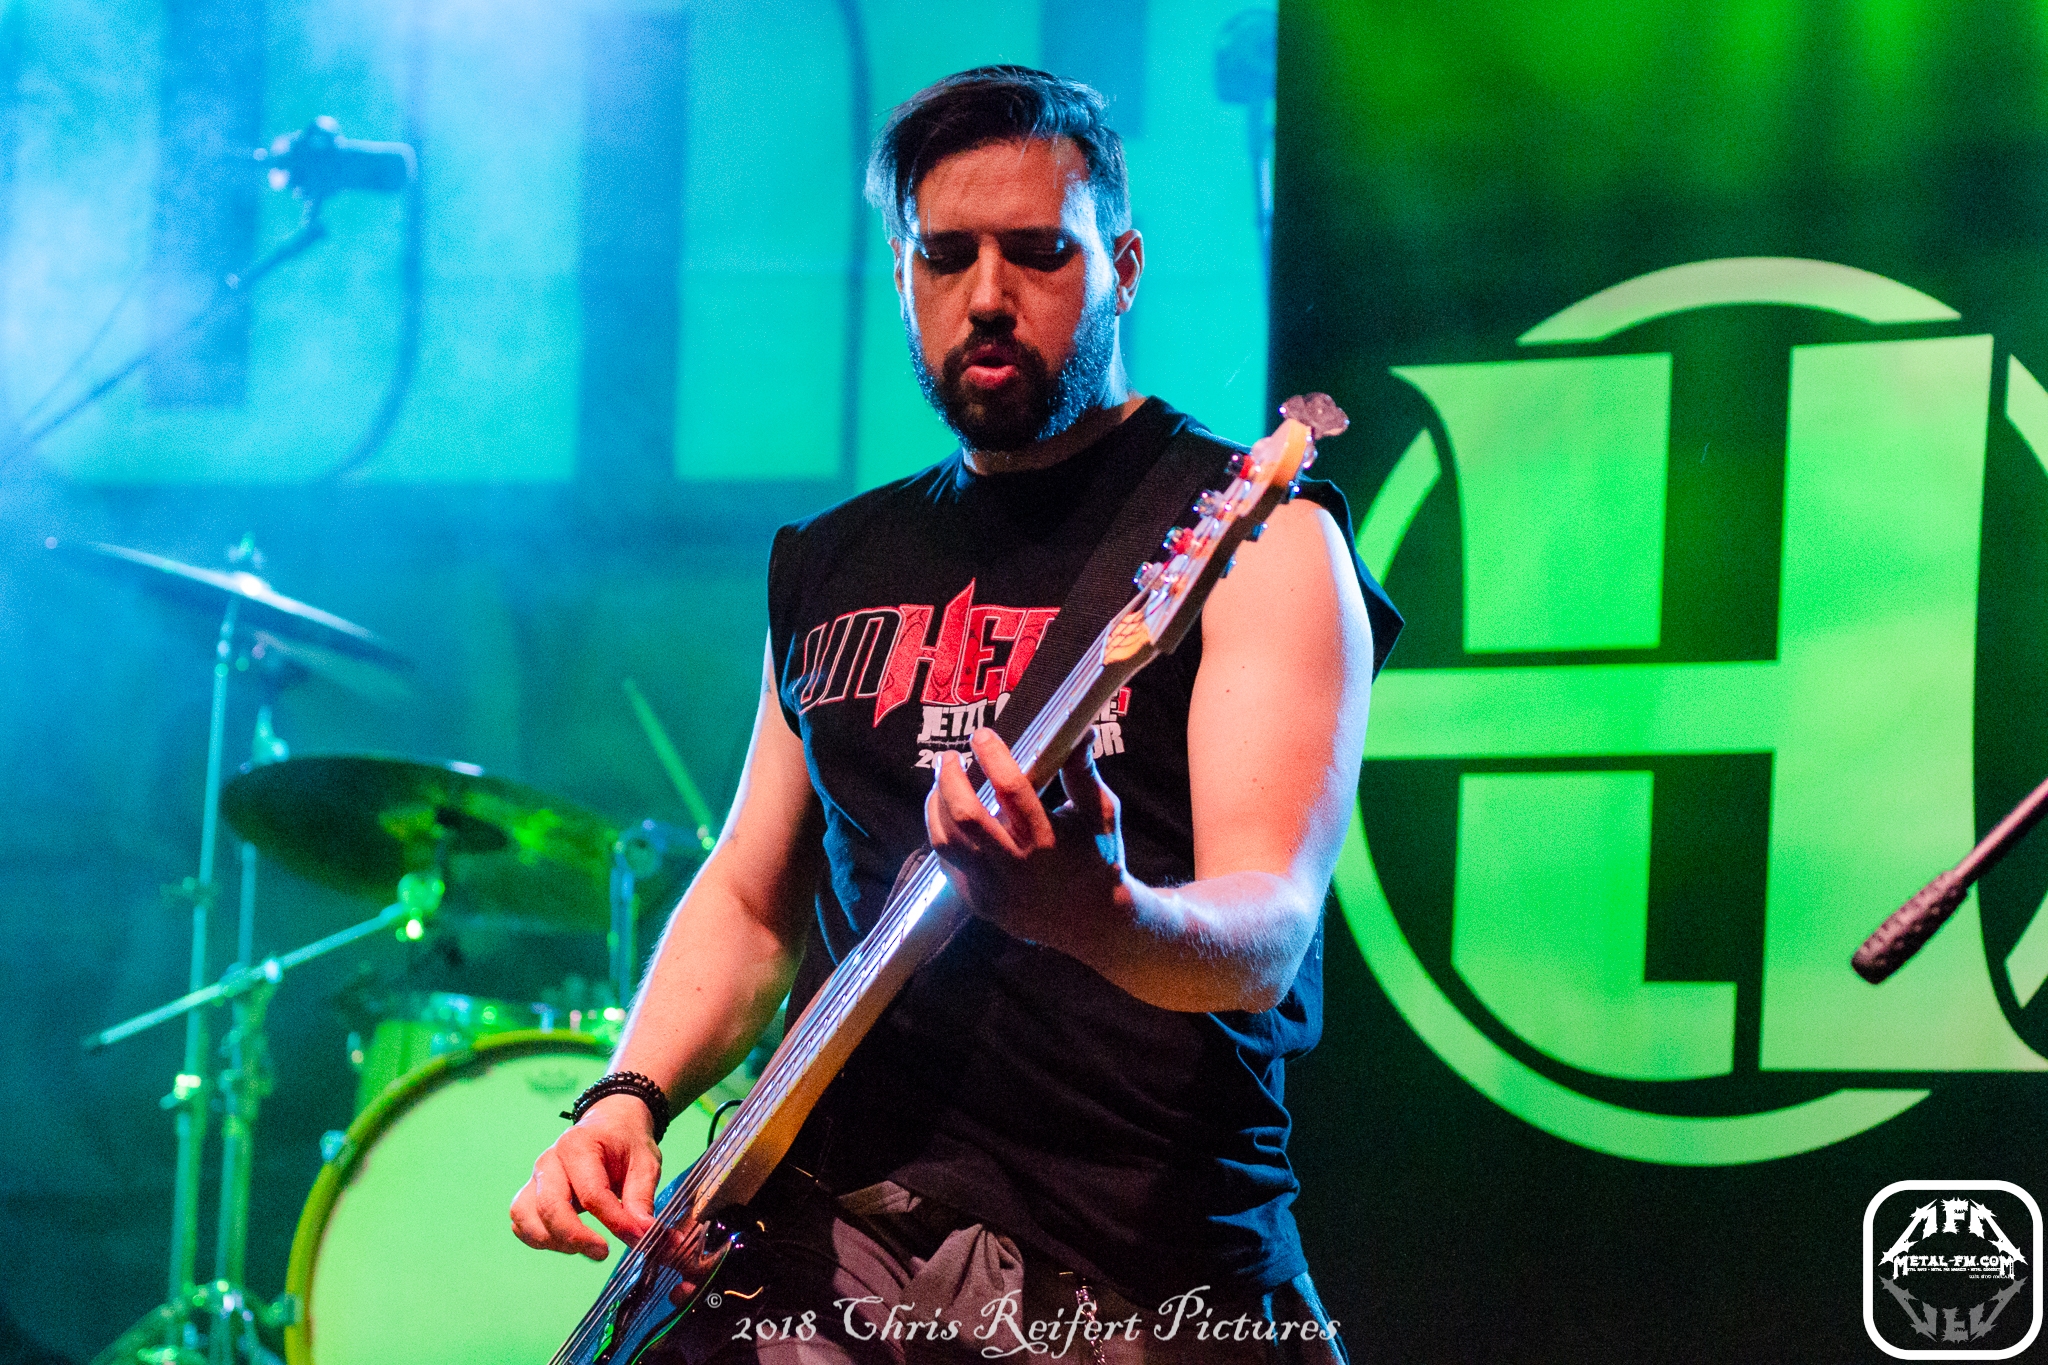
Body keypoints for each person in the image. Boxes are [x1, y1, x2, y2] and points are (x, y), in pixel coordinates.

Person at [512, 66, 1400, 1361]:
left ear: (1123, 268)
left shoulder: (1254, 539)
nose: (987, 294)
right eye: (946, 256)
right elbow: (752, 893)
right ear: (902, 276)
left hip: (1132, 1269)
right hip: (826, 1249)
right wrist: (629, 1094)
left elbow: (1265, 930)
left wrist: (1102, 914)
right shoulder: (829, 561)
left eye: (1038, 251)